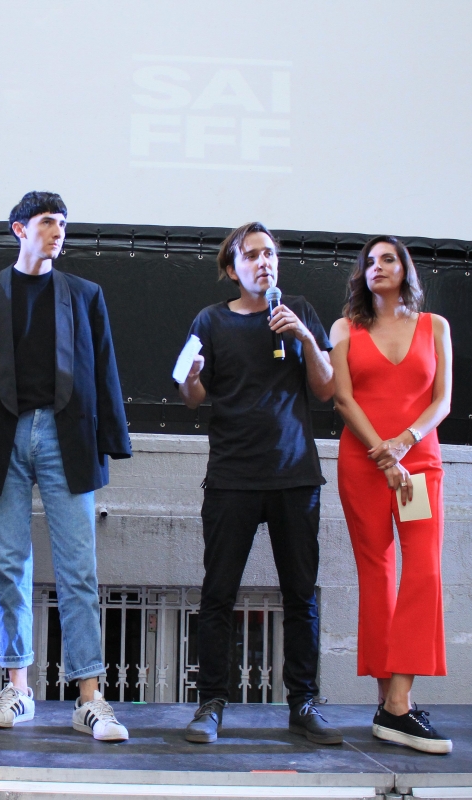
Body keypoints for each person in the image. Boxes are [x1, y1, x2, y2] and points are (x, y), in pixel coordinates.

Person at [0, 191, 133, 741]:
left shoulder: (85, 294)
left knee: (79, 569)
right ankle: (18, 689)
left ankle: (89, 699)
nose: (58, 231)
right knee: (10, 565)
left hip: (65, 436)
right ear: (19, 229)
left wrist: (112, 438)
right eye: (48, 222)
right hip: (1, 436)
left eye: (63, 223)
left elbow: (104, 367)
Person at [178, 221, 340, 745]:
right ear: (233, 269)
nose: (263, 261)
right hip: (233, 477)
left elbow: (326, 390)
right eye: (251, 255)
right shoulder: (211, 320)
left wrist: (305, 338)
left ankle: (303, 702)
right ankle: (211, 704)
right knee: (218, 595)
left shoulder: (299, 312)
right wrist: (193, 377)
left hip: (295, 476)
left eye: (269, 253)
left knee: (301, 596)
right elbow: (192, 397)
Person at [329, 235, 453, 755]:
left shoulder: (435, 326)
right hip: (364, 463)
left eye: (388, 258)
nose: (378, 266)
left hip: (417, 465)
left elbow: (442, 400)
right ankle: (389, 707)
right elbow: (342, 398)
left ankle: (399, 702)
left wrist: (403, 444)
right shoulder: (344, 328)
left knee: (423, 571)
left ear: (405, 268)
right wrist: (383, 454)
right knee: (377, 574)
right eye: (370, 261)